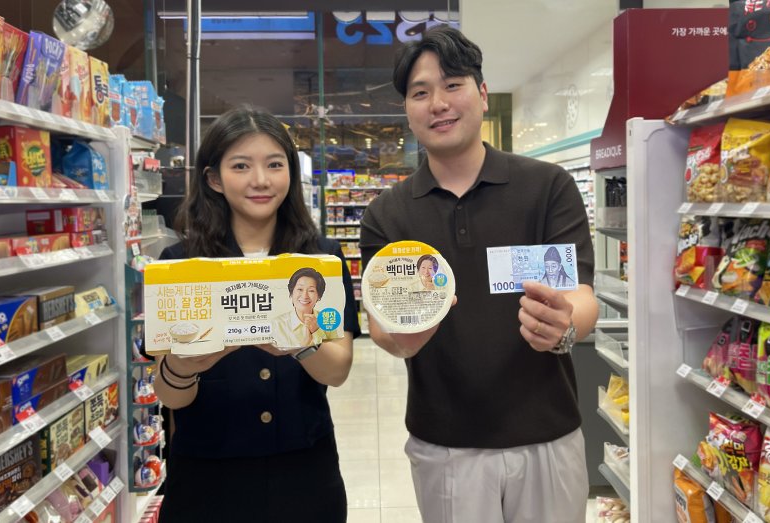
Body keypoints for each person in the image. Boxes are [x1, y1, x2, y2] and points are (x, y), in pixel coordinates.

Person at [360, 26, 598, 523]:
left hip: (548, 434)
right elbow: (381, 327)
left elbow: (581, 296)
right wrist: (404, 339)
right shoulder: (387, 214)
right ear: (407, 110)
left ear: (483, 94)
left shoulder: (547, 187)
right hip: (445, 443)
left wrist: (564, 324)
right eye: (420, 93)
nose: (438, 103)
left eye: (453, 85)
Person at [152, 106, 360, 522]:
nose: (261, 180)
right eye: (241, 166)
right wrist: (185, 365)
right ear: (214, 178)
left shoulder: (322, 260)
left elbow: (337, 370)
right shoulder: (179, 265)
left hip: (305, 474)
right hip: (207, 480)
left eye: (275, 164)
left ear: (291, 174)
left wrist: (298, 344)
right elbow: (170, 395)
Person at [271, 267, 344, 347]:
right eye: (300, 289)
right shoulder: (277, 324)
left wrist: (316, 331)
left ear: (319, 296)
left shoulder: (327, 319)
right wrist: (305, 342)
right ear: (291, 292)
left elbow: (334, 351)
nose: (305, 296)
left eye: (311, 290)